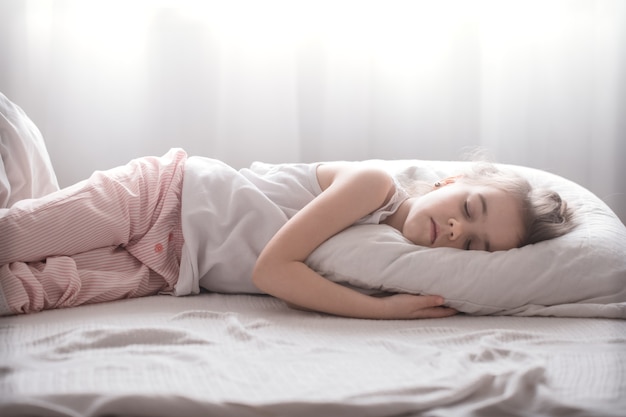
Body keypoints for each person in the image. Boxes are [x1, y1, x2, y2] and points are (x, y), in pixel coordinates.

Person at [0, 148, 574, 319]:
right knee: (16, 238)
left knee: (32, 292)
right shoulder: (374, 186)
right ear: (450, 180)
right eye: (468, 208)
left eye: (474, 245)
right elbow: (271, 271)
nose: (455, 230)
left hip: (175, 270)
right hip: (161, 197)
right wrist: (382, 313)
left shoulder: (391, 262)